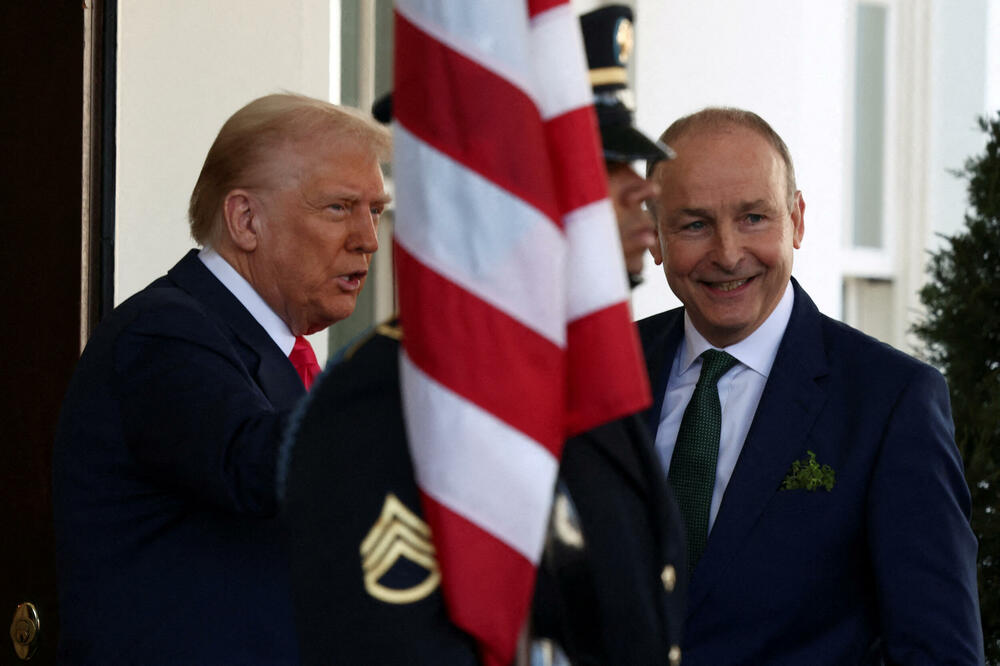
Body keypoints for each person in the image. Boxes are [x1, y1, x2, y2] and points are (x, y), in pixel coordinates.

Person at [281, 6, 686, 665]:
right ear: (503, 186)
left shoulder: (592, 367)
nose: (641, 188)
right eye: (598, 162)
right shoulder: (393, 395)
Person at [52, 93, 391, 664]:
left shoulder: (271, 350)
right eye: (339, 207)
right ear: (245, 220)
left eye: (375, 210)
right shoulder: (162, 332)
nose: (368, 238)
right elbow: (252, 465)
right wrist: (406, 369)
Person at [639, 106, 984, 664]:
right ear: (654, 235)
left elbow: (939, 652)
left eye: (754, 218)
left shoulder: (891, 402)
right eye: (694, 225)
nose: (728, 253)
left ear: (797, 220)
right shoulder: (601, 372)